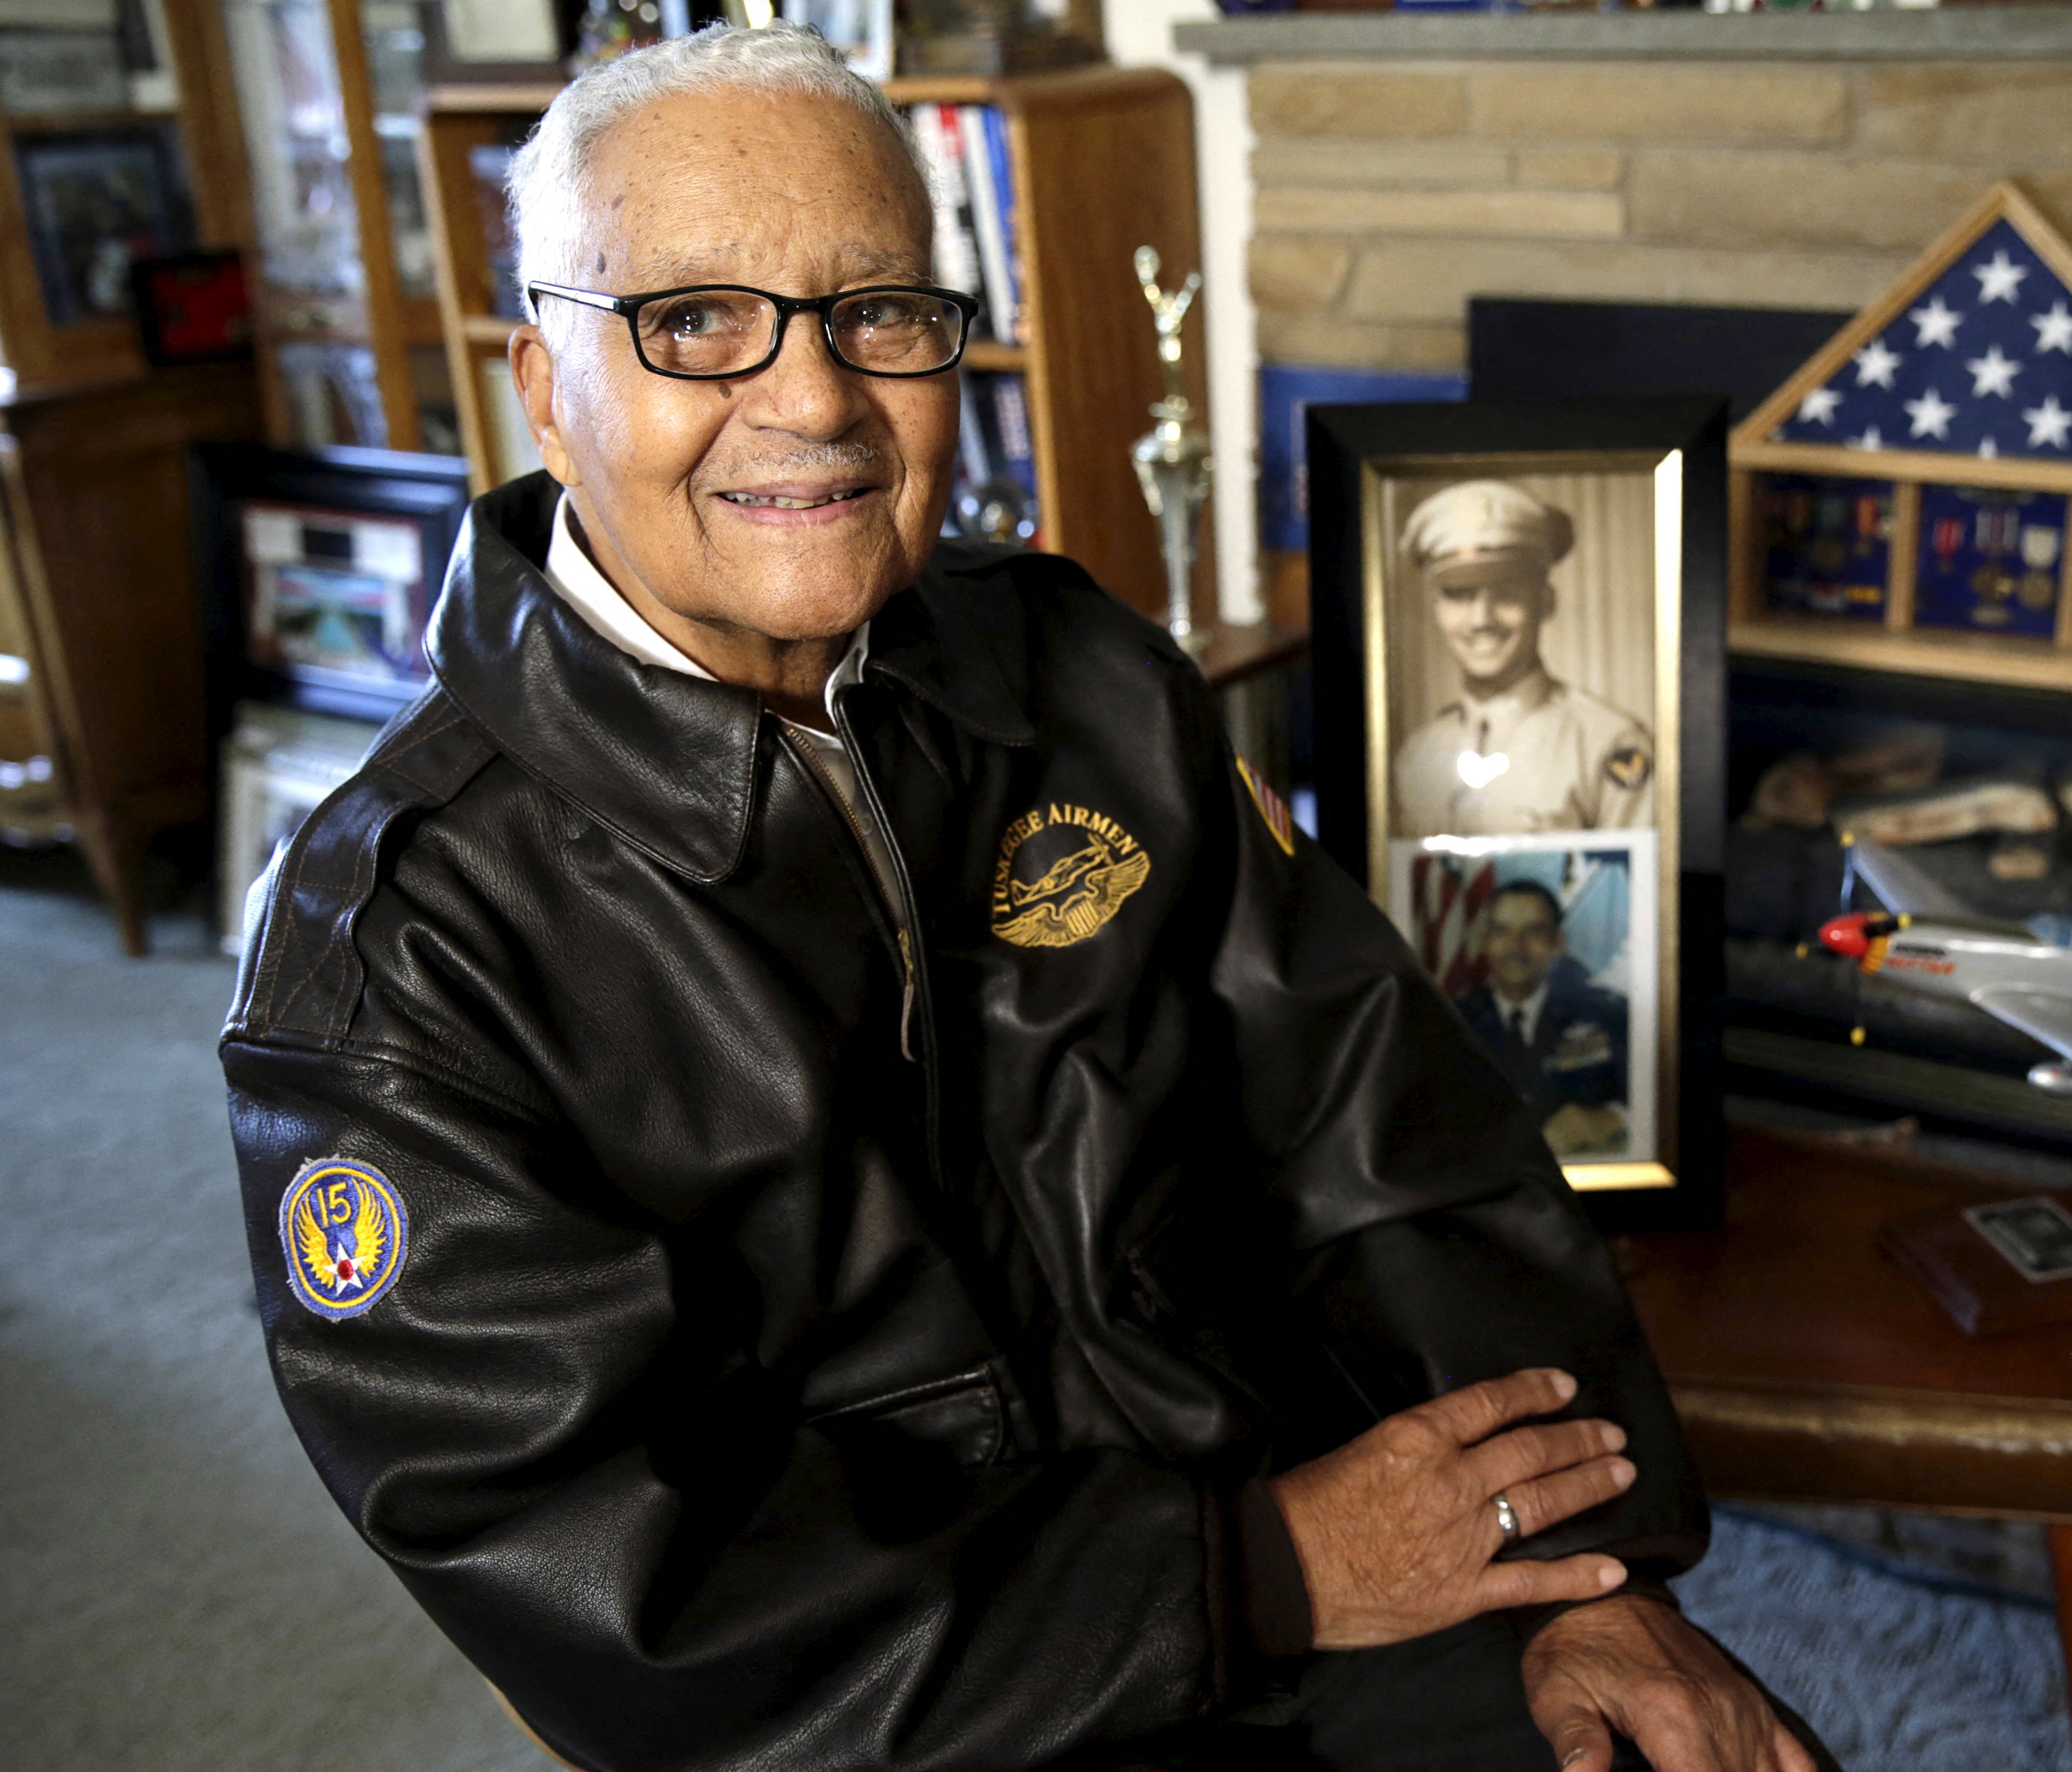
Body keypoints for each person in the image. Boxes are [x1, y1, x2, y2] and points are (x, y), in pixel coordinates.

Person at [219, 27, 1830, 1772]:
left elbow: (1386, 1128)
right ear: (545, 383)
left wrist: (1577, 1566)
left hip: (1290, 1522)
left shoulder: (1077, 668)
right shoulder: (397, 952)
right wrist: (1256, 1573)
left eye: (878, 313)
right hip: (906, 1694)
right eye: (693, 320)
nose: (815, 398)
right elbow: (625, 1592)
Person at [1393, 480, 1654, 839]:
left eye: (1506, 593)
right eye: (1458, 595)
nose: (1481, 620)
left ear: (1546, 603)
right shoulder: (1418, 755)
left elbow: (1632, 888)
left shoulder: (1607, 743)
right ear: (1436, 610)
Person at [1455, 882, 1631, 1158]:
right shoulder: (1450, 1023)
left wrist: (1616, 1118)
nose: (1516, 946)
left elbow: (1650, 1096)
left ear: (1557, 943)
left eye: (1534, 932)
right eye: (1502, 931)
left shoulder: (1607, 1015)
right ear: (1485, 941)